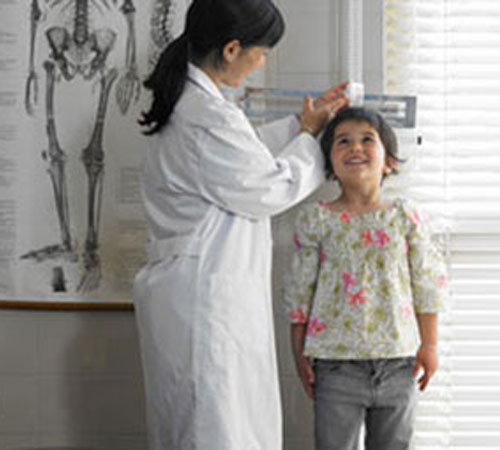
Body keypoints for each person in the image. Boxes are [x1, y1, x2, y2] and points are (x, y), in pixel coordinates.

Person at [133, 0, 349, 449]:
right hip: (205, 300)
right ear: (232, 49)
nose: (262, 61)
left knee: (204, 424)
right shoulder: (207, 116)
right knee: (215, 429)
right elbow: (267, 188)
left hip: (192, 290)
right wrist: (309, 139)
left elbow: (239, 155)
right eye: (263, 51)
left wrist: (301, 126)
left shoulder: (194, 106)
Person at [284, 107, 449, 450]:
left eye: (367, 140)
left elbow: (427, 285)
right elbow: (299, 294)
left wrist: (430, 345)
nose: (355, 147)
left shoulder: (405, 216)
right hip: (335, 367)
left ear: (388, 161)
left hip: (398, 364)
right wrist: (299, 355)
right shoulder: (317, 220)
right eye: (343, 141)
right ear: (330, 164)